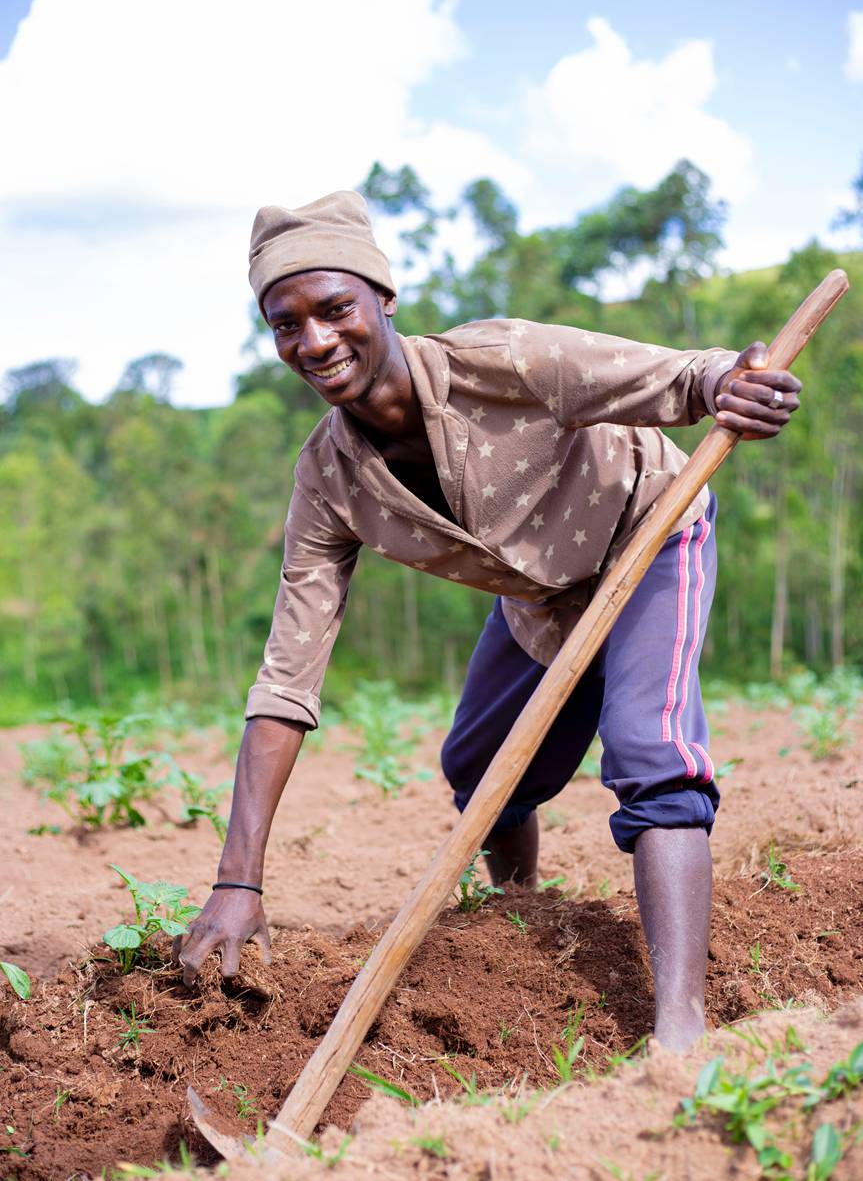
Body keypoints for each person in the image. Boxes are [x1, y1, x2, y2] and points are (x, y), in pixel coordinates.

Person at [173, 190, 801, 1051]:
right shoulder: (328, 481)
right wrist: (237, 881)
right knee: (479, 767)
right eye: (286, 325)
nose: (314, 342)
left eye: (334, 309)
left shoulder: (500, 360)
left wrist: (730, 384)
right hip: (539, 600)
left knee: (648, 750)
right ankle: (519, 924)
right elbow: (287, 678)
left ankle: (679, 1030)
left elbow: (678, 375)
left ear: (383, 299)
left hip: (647, 533)